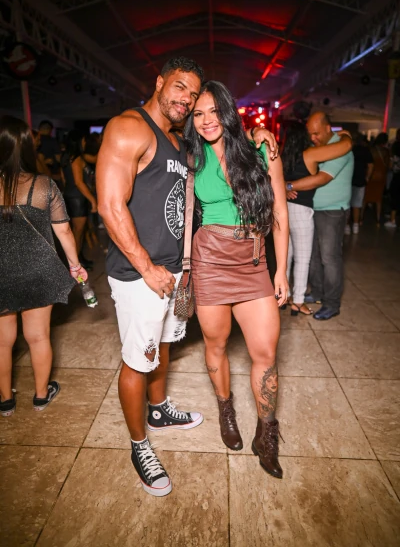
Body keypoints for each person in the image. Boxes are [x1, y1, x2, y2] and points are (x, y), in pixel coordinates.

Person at [96, 57, 206, 498]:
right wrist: (146, 267)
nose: (186, 99)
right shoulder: (129, 128)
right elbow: (110, 205)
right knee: (137, 360)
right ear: (159, 82)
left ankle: (158, 410)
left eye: (193, 94)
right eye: (180, 87)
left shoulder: (176, 140)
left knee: (163, 346)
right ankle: (139, 445)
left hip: (171, 271)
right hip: (140, 273)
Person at [185, 81, 289, 479]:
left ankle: (266, 432)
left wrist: (281, 270)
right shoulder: (191, 154)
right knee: (216, 342)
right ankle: (225, 409)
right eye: (198, 114)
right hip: (210, 259)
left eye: (214, 111)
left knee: (265, 351)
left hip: (253, 260)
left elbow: (279, 212)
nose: (207, 121)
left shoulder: (262, 149)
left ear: (228, 111)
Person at [0, 115, 88, 417]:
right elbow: (64, 231)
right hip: (38, 270)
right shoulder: (43, 185)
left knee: (2, 343)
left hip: (2, 272)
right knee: (38, 337)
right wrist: (75, 265)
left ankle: (6, 401)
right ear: (27, 146)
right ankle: (40, 396)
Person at [284, 112, 354, 321]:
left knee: (329, 257)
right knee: (312, 256)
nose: (313, 138)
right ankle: (317, 292)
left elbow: (321, 178)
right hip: (313, 209)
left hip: (332, 211)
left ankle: (331, 303)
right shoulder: (318, 149)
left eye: (316, 133)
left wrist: (287, 186)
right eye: (310, 134)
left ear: (327, 128)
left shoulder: (339, 148)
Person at [61, 130, 97, 269]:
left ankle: (79, 260)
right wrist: (92, 200)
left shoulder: (65, 157)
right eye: (83, 140)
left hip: (69, 196)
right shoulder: (76, 158)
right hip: (78, 199)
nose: (85, 142)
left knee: (76, 232)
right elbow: (79, 182)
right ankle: (75, 266)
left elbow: (64, 179)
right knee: (78, 233)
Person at [345, 134, 374, 235]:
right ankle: (356, 226)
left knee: (347, 205)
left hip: (348, 180)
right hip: (361, 180)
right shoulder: (366, 151)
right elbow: (370, 165)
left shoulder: (349, 150)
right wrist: (367, 177)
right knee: (357, 204)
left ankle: (347, 226)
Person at [362, 132, 389, 226]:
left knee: (365, 198)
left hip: (370, 176)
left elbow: (367, 163)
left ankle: (360, 219)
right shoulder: (386, 151)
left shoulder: (371, 149)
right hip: (381, 177)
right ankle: (378, 220)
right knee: (378, 199)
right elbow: (388, 165)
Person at [37, 120, 62, 186]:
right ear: (49, 130)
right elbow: (58, 158)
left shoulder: (31, 143)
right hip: (51, 174)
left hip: (38, 176)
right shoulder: (52, 141)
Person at [385, 129, 400, 229]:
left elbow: (391, 166)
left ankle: (392, 220)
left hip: (397, 176)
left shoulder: (396, 146)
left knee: (394, 197)